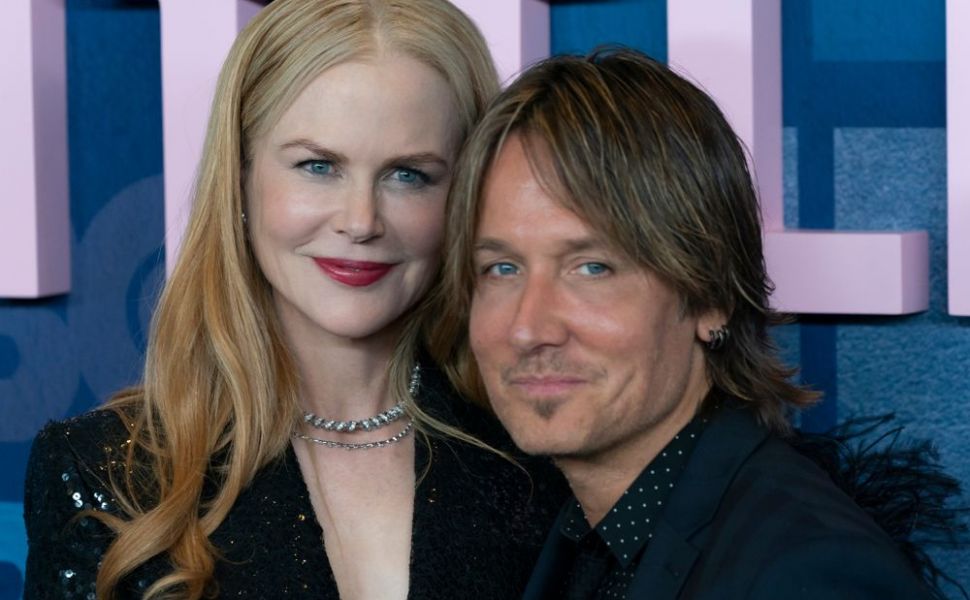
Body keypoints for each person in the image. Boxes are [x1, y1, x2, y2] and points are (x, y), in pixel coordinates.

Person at [23, 1, 564, 598]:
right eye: (318, 166)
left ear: (465, 194)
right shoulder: (106, 471)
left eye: (408, 174)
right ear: (241, 178)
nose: (361, 220)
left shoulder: (540, 453)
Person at [429, 48, 941, 598]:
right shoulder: (581, 537)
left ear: (710, 295)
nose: (528, 329)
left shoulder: (808, 574)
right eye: (501, 268)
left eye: (593, 268)